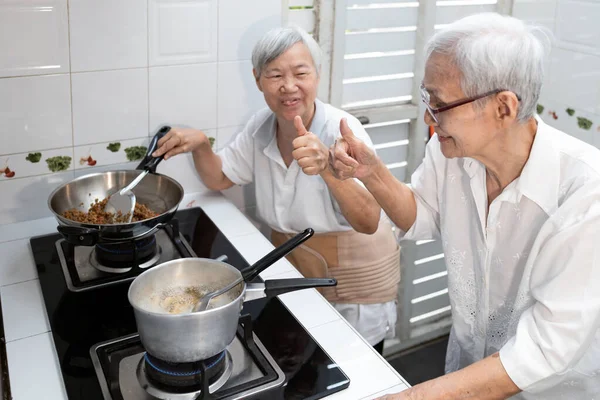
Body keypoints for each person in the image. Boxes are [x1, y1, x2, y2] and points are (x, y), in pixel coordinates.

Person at [329, 12, 600, 400]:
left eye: (438, 103)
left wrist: (410, 397)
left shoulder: (586, 195)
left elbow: (546, 347)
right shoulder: (453, 153)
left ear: (503, 108)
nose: (427, 116)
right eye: (426, 98)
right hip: (468, 372)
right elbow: (420, 214)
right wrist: (372, 172)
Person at [152, 26, 401, 354]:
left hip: (353, 290)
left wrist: (328, 165)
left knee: (353, 378)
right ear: (257, 80)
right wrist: (200, 145)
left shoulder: (343, 131)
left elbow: (369, 220)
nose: (289, 86)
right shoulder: (261, 127)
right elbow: (221, 177)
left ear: (317, 75)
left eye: (301, 73)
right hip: (297, 274)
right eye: (275, 75)